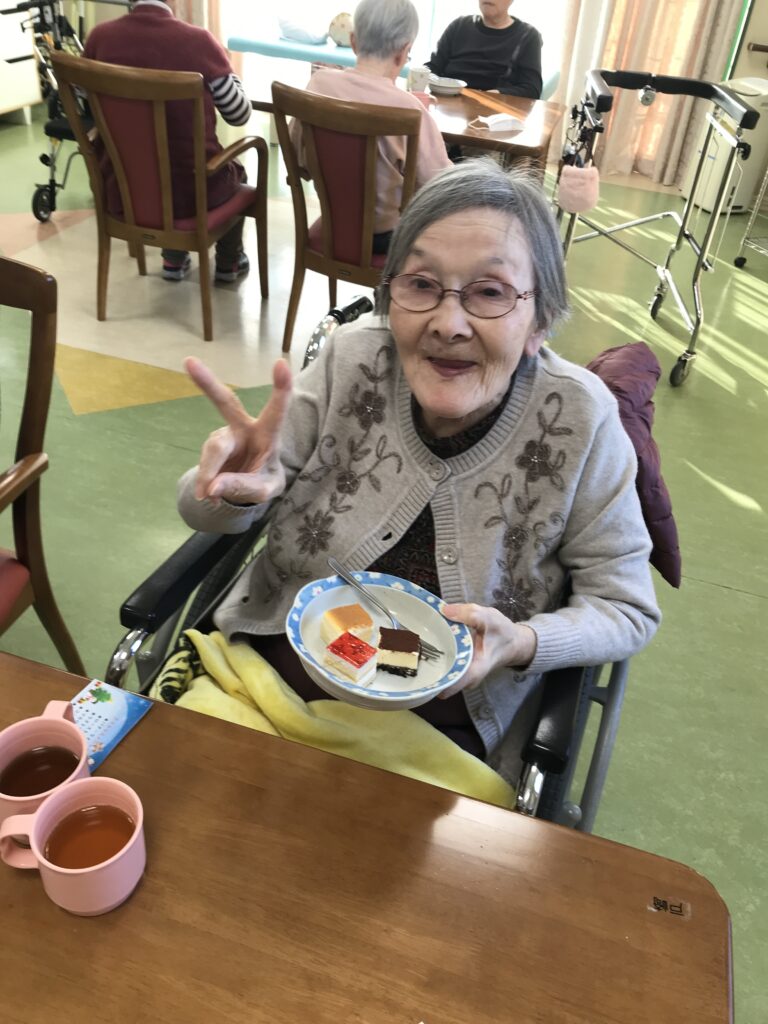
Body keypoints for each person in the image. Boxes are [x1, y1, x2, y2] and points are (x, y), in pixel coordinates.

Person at [176, 159, 660, 781]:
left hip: (440, 737)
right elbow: (205, 508)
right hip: (267, 679)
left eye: (490, 292)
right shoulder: (353, 360)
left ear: (539, 321)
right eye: (422, 284)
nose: (448, 324)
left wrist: (522, 642)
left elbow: (625, 607)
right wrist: (227, 495)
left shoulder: (580, 418)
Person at [84, 0, 252, 283]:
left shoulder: (99, 38)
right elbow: (238, 113)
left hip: (121, 189)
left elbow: (85, 99)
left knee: (153, 164)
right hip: (192, 195)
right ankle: (228, 262)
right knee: (235, 174)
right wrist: (230, 75)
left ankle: (173, 259)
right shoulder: (199, 42)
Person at [289, 0, 451, 255]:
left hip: (333, 227)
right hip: (387, 240)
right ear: (404, 51)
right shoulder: (410, 110)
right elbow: (440, 187)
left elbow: (296, 157)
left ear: (353, 41)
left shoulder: (317, 85)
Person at [427, 0, 542, 98]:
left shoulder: (527, 35)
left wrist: (494, 95)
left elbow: (532, 89)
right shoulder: (459, 25)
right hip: (447, 100)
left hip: (493, 107)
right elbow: (432, 67)